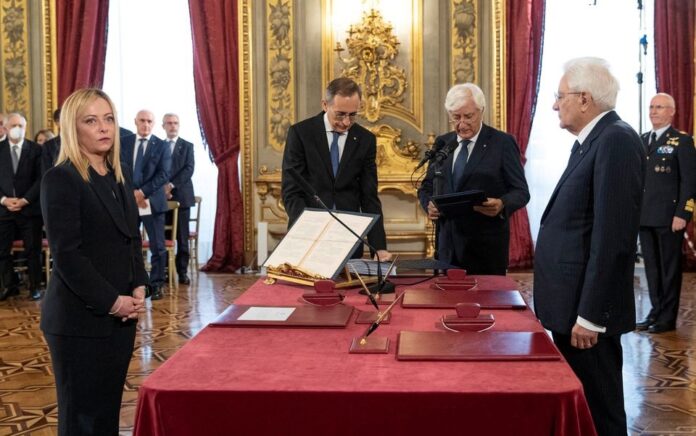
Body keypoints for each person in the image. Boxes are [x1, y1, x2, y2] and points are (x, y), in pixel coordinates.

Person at [533, 57, 645, 436]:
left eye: (559, 96)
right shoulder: (593, 140)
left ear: (584, 98)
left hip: (586, 310)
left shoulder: (615, 140)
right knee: (584, 404)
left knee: (601, 408)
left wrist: (592, 315)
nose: (553, 105)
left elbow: (613, 239)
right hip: (572, 302)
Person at [40, 88, 149, 435]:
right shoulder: (61, 178)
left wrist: (139, 284)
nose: (103, 128)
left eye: (108, 118)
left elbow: (131, 237)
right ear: (74, 128)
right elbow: (67, 255)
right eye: (91, 120)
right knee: (81, 420)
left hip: (120, 316)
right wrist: (113, 302)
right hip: (78, 321)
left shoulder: (119, 175)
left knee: (105, 415)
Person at [418, 83, 529, 274]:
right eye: (456, 117)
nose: (462, 124)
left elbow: (521, 192)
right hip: (448, 248)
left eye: (468, 116)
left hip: (486, 249)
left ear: (481, 111)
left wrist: (502, 203)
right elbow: (426, 187)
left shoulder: (502, 143)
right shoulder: (444, 143)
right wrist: (428, 203)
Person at [281, 77, 391, 261]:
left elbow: (369, 197)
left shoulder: (365, 140)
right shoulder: (301, 134)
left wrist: (378, 247)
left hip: (348, 237)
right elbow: (291, 191)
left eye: (353, 115)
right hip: (308, 233)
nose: (347, 122)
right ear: (325, 105)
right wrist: (307, 228)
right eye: (340, 114)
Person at [636, 93, 696, 334]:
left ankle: (667, 318)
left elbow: (689, 182)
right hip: (645, 216)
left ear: (671, 112)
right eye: (651, 107)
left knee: (669, 270)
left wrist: (683, 213)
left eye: (659, 107)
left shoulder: (681, 141)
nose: (653, 111)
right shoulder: (642, 140)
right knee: (652, 269)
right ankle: (655, 311)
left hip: (670, 218)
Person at [121, 110, 171, 300]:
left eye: (149, 121)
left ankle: (156, 284)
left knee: (157, 246)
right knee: (129, 244)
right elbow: (117, 169)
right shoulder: (124, 142)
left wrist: (141, 192)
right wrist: (130, 193)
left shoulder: (161, 146)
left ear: (154, 123)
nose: (146, 124)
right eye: (142, 120)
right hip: (128, 201)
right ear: (135, 121)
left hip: (152, 201)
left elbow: (164, 175)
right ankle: (133, 282)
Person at [0, 113, 43, 301]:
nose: (17, 128)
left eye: (21, 125)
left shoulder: (36, 150)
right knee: (2, 251)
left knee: (32, 250)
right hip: (3, 209)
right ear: (6, 128)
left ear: (26, 127)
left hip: (29, 209)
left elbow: (42, 179)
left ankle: (34, 287)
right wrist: (3, 200)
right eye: (14, 125)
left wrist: (25, 199)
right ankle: (9, 286)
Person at [162, 113, 195, 285]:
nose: (172, 126)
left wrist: (171, 185)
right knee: (165, 236)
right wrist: (162, 187)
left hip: (181, 195)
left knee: (182, 237)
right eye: (169, 123)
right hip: (161, 198)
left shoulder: (187, 146)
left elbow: (188, 169)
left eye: (175, 123)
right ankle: (167, 272)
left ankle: (182, 272)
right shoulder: (157, 146)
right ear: (163, 126)